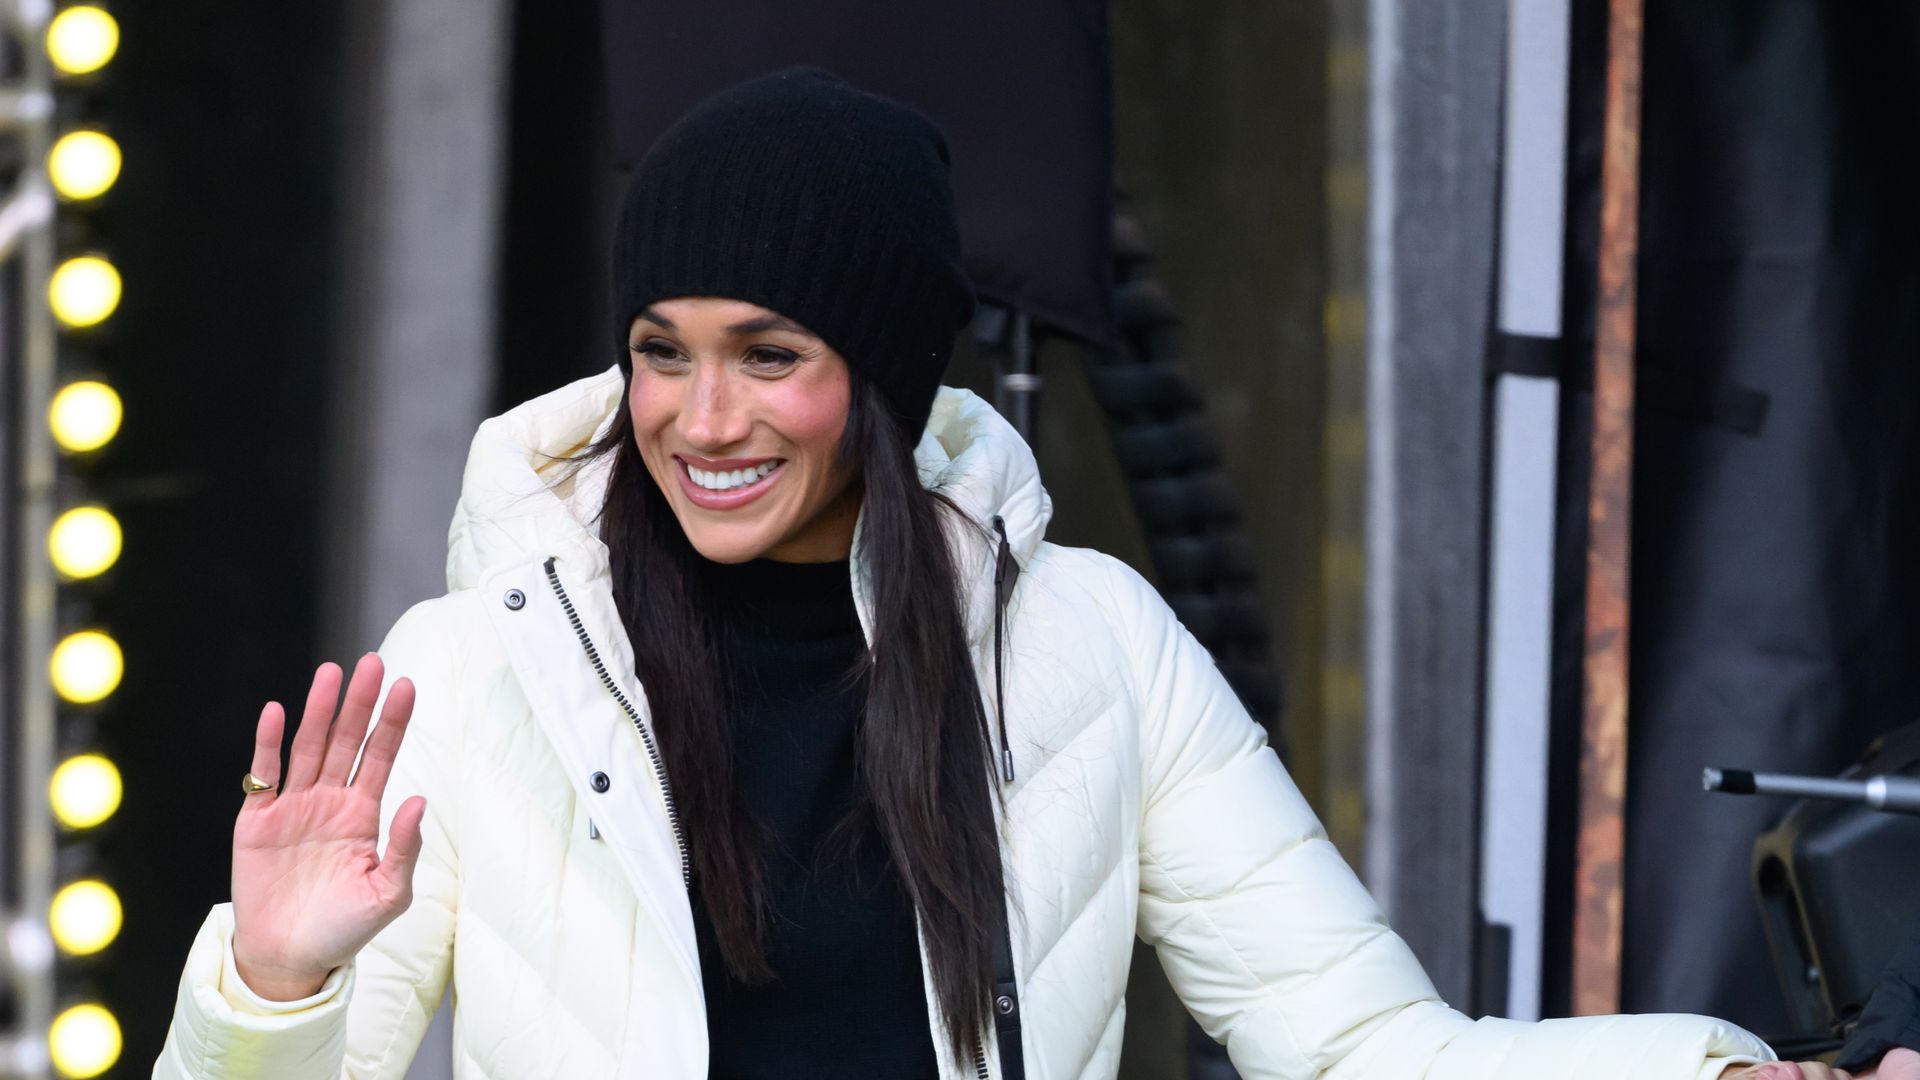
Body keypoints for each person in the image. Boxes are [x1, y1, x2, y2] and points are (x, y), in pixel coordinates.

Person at [156, 65, 1802, 1079]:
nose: (699, 416)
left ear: (881, 374)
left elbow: (1372, 1050)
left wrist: (1719, 1078)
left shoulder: (1095, 644)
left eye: (769, 354)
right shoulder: (468, 671)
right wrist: (272, 981)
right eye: (660, 352)